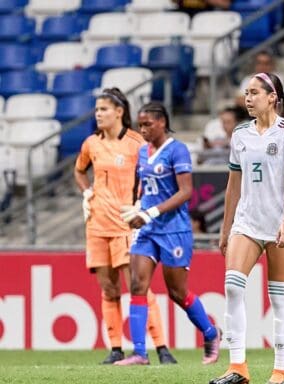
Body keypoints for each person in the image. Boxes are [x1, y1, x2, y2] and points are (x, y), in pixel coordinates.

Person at [211, 72, 284, 384]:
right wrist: (226, 228)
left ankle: (280, 372)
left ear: (272, 97)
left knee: (278, 297)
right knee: (232, 287)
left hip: (280, 224)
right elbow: (233, 186)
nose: (248, 98)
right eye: (247, 93)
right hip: (248, 223)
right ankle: (237, 368)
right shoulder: (240, 134)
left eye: (254, 92)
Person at [74, 88, 175, 365]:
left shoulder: (136, 143)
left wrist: (143, 205)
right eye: (97, 109)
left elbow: (152, 175)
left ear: (119, 112)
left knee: (138, 286)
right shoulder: (91, 144)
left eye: (104, 109)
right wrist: (86, 192)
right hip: (97, 225)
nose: (98, 114)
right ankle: (116, 348)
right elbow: (79, 169)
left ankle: (161, 347)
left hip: (126, 225)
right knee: (108, 288)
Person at [114, 102, 220, 366]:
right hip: (148, 229)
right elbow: (143, 187)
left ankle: (210, 332)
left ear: (162, 122)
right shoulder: (142, 152)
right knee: (137, 285)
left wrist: (150, 212)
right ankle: (140, 353)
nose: (143, 130)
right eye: (140, 125)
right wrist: (137, 208)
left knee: (177, 292)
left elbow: (186, 192)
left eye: (147, 124)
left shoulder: (177, 150)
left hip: (174, 229)